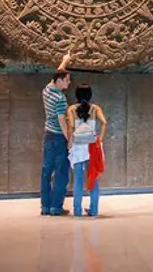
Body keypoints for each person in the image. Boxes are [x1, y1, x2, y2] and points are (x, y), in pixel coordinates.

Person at [68, 84, 107, 217]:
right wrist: (99, 139)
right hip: (92, 147)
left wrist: (69, 143)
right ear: (90, 94)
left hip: (78, 147)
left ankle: (77, 210)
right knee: (93, 178)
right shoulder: (95, 109)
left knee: (78, 180)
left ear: (76, 95)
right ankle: (94, 210)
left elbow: (71, 127)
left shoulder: (72, 109)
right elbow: (104, 123)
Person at [40, 53, 72, 216]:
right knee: (61, 173)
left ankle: (45, 207)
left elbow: (58, 71)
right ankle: (56, 207)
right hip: (59, 137)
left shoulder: (47, 89)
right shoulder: (60, 98)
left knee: (46, 172)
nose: (69, 82)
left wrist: (65, 60)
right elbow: (62, 121)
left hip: (48, 135)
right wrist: (69, 139)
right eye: (67, 80)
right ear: (59, 81)